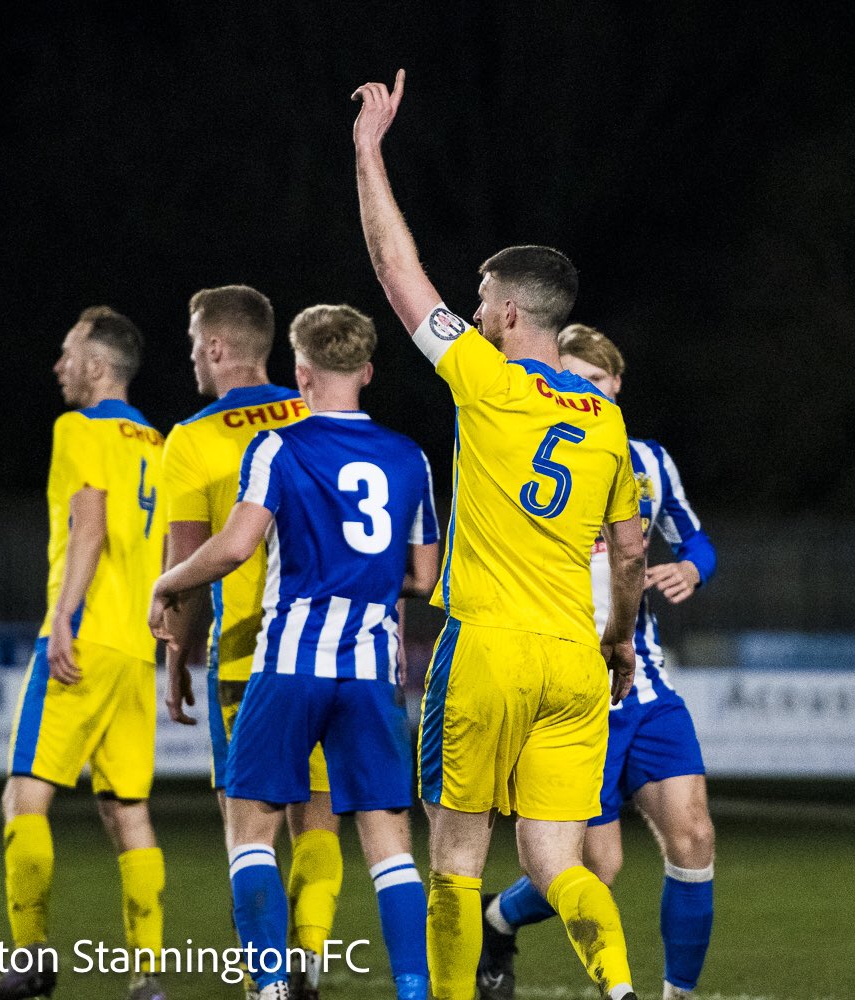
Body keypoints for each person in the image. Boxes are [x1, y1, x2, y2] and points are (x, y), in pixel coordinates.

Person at [352, 71, 646, 1000]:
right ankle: (622, 989)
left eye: (483, 299)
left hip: (485, 651)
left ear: (511, 313)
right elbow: (630, 550)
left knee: (455, 861)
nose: (476, 312)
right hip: (575, 659)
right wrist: (620, 640)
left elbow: (397, 272)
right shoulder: (608, 423)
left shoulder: (484, 376)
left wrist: (368, 152)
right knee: (561, 863)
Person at [150, 304, 440, 1000]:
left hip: (288, 663)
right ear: (367, 372)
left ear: (301, 373)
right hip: (370, 671)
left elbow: (235, 547)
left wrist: (168, 582)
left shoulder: (277, 448)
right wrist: (365, 583)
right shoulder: (410, 457)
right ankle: (412, 990)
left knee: (251, 829)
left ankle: (272, 986)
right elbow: (425, 576)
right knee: (388, 844)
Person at [478, 324, 716, 1000]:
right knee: (595, 869)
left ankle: (677, 995)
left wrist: (692, 570)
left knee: (694, 836)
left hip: (645, 682)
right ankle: (497, 921)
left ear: (616, 385)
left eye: (593, 379)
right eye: (568, 375)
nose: (580, 388)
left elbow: (696, 541)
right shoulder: (530, 453)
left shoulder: (648, 463)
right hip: (571, 689)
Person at [0, 307, 167, 1000]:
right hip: (137, 647)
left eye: (68, 353)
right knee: (128, 810)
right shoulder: (157, 441)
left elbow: (90, 524)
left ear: (97, 365)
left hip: (85, 638)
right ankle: (148, 977)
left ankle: (30, 959)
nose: (59, 366)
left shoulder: (78, 429)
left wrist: (61, 618)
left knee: (24, 796)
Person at [160, 285, 342, 999]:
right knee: (318, 823)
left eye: (192, 345)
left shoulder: (193, 438)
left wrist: (176, 657)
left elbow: (188, 565)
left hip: (248, 661)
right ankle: (311, 961)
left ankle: (267, 982)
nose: (191, 360)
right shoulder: (317, 415)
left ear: (214, 347)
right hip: (333, 656)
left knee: (250, 833)